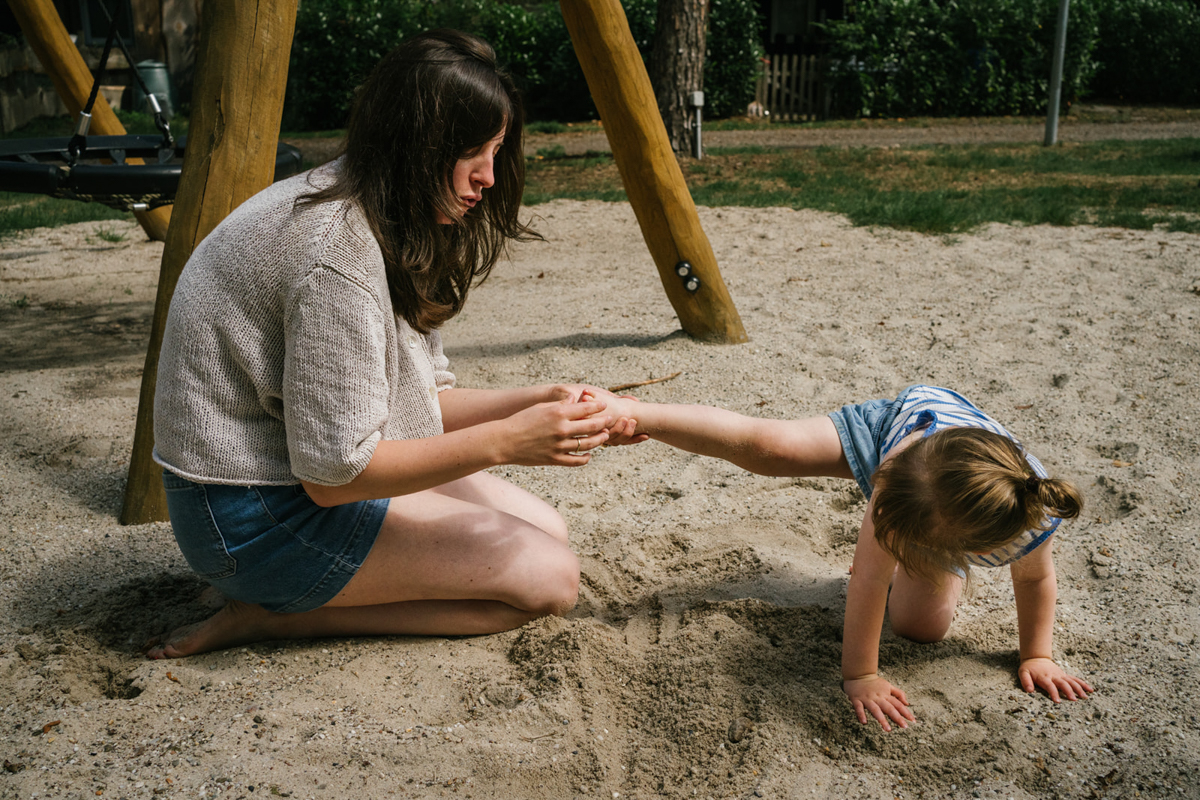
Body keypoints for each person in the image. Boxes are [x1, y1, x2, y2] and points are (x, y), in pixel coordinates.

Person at [145, 30, 619, 659]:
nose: (488, 177)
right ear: (416, 146)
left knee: (547, 530)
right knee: (551, 580)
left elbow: (414, 402)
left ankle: (294, 599)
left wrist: (541, 401)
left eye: (496, 150)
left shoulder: (381, 209)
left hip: (290, 476)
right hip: (247, 518)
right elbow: (336, 475)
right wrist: (508, 441)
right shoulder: (335, 255)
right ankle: (273, 616)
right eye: (471, 153)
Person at [588, 384, 1094, 730]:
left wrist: (1037, 655)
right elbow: (867, 580)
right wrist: (861, 675)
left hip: (948, 498)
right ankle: (640, 412)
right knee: (772, 447)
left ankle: (930, 568)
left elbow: (1034, 581)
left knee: (922, 627)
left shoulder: (1031, 517)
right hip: (906, 432)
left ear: (976, 550)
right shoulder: (900, 478)